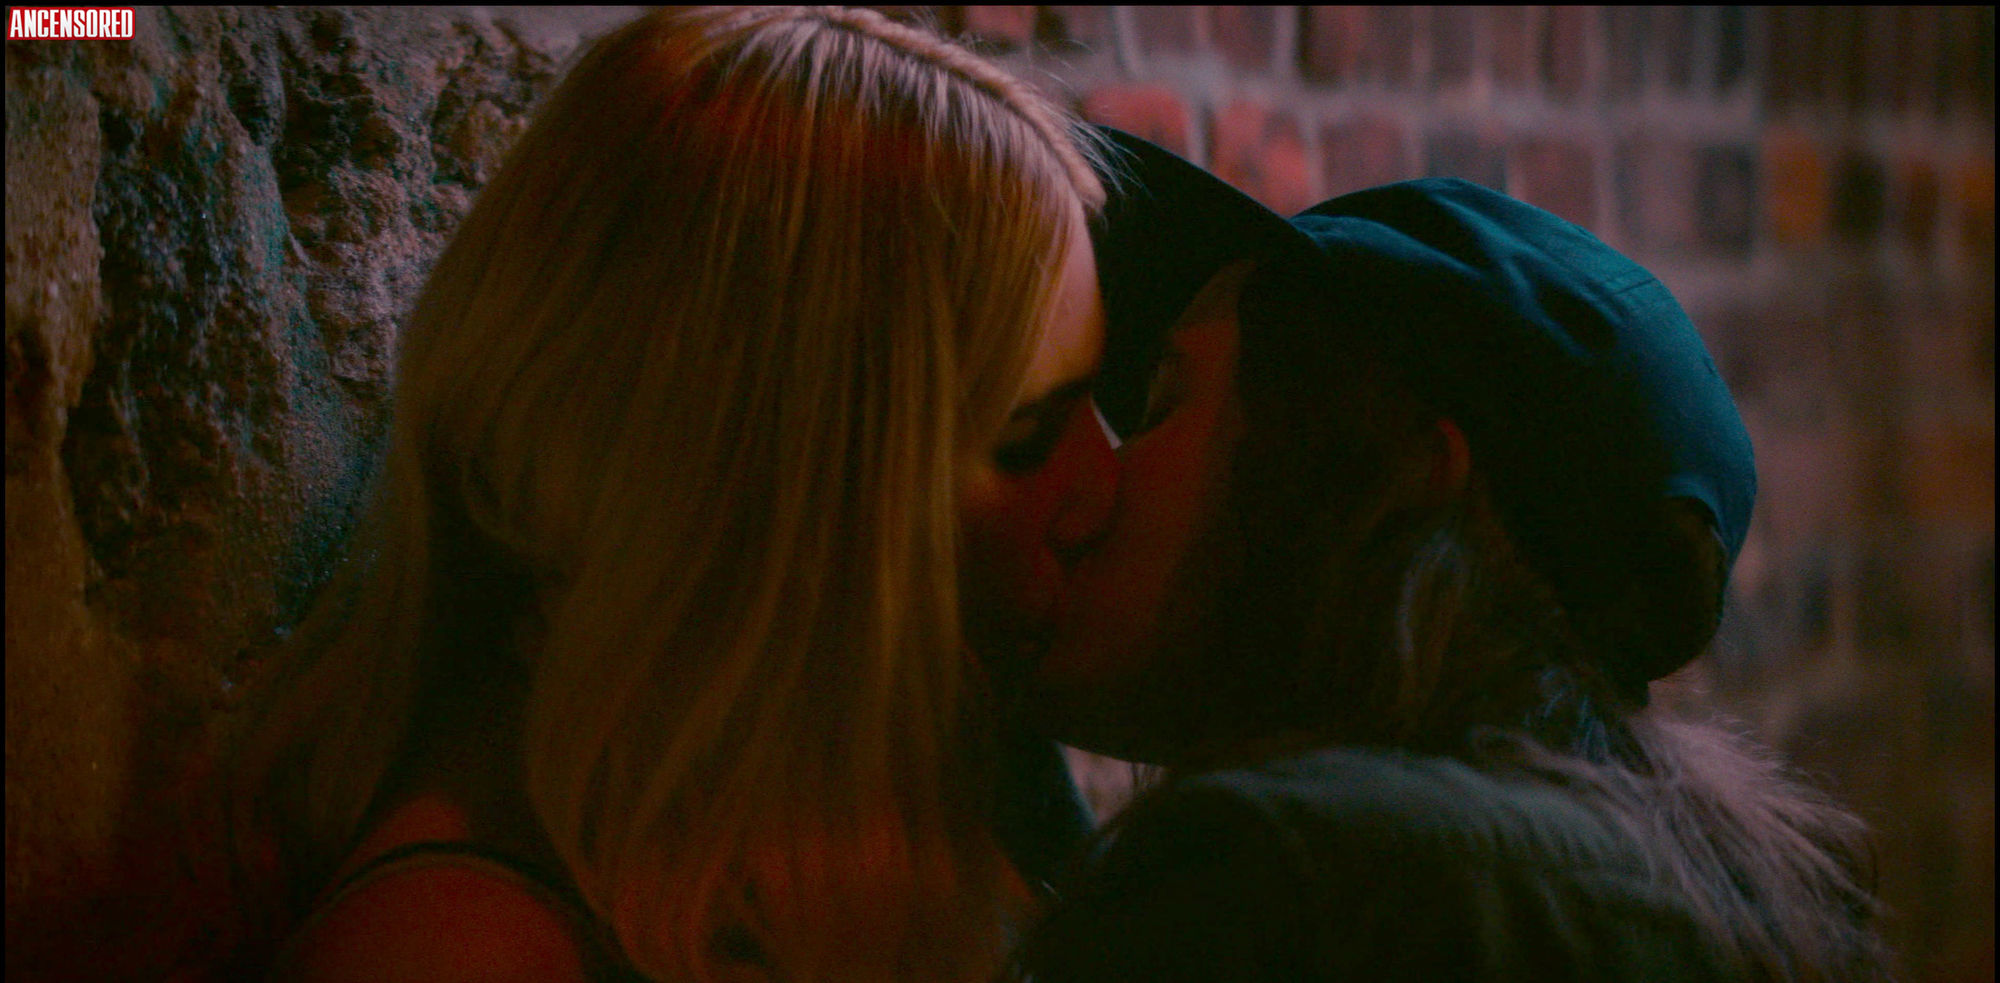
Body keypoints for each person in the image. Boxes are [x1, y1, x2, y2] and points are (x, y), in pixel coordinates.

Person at [222, 8, 1118, 981]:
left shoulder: (862, 809)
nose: (1105, 481)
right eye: (1024, 435)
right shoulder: (455, 949)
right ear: (753, 477)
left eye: (1105, 402)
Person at [1010, 131, 1891, 981]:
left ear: (1391, 475)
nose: (1099, 478)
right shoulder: (1761, 908)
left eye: (1163, 404)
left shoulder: (1278, 881)